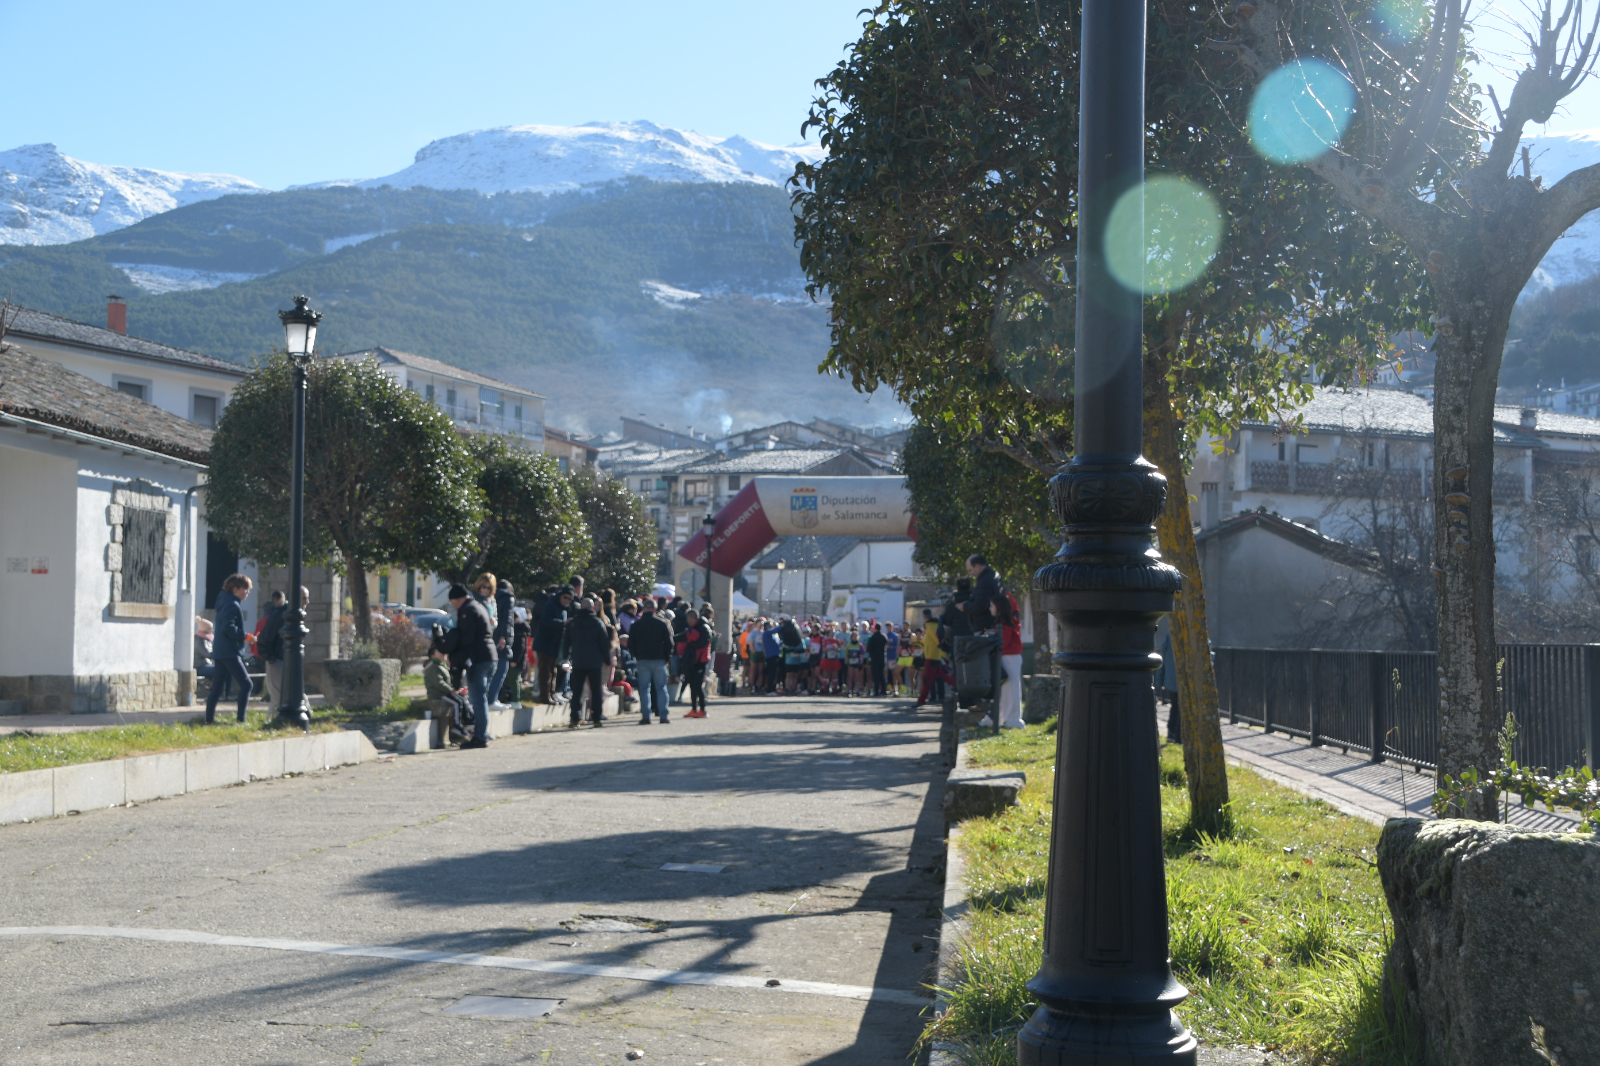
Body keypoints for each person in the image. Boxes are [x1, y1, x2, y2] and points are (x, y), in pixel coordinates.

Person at [437, 583, 496, 747]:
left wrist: (452, 647)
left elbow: (467, 637)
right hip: (490, 655)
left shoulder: (467, 611)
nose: (454, 606)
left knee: (478, 700)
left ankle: (480, 736)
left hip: (478, 658)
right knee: (482, 698)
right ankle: (482, 732)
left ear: (457, 600)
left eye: (453, 603)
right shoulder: (478, 606)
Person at [205, 574, 254, 724]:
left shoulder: (224, 602)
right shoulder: (233, 604)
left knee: (217, 689)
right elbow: (229, 627)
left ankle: (209, 720)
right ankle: (241, 720)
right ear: (235, 589)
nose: (247, 592)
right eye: (245, 589)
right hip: (229, 652)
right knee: (247, 684)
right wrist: (246, 636)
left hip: (221, 651)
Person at [562, 596, 613, 727]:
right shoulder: (597, 623)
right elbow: (604, 643)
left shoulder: (574, 623)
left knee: (577, 691)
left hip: (578, 660)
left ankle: (575, 718)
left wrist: (565, 657)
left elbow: (566, 641)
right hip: (594, 661)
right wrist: (607, 660)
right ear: (592, 607)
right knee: (595, 690)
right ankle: (596, 718)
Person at [628, 599, 674, 723]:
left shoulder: (636, 625)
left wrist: (637, 656)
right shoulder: (662, 623)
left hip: (643, 659)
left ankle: (646, 716)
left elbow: (631, 644)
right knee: (661, 688)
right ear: (655, 609)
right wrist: (667, 658)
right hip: (659, 659)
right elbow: (669, 643)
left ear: (643, 609)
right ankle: (664, 715)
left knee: (644, 689)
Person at [534, 586, 574, 704]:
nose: (567, 600)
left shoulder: (564, 609)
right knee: (545, 671)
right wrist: (563, 623)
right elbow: (546, 620)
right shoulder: (550, 605)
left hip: (554, 644)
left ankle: (551, 694)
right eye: (565, 597)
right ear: (560, 595)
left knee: (553, 670)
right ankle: (544, 696)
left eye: (570, 599)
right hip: (545, 643)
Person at [423, 647, 471, 746]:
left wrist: (457, 689)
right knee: (456, 703)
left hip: (445, 693)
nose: (444, 653)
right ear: (433, 656)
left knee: (462, 700)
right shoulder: (434, 667)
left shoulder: (442, 665)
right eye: (440, 652)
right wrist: (451, 690)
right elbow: (439, 683)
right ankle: (457, 725)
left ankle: (467, 723)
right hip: (438, 694)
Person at [992, 588, 1025, 729]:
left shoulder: (1005, 624)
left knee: (1011, 691)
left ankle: (1012, 720)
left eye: (992, 606)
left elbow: (1003, 644)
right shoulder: (1007, 622)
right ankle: (1003, 718)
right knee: (1007, 691)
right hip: (1010, 657)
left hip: (1010, 657)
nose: (990, 608)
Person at [679, 609, 713, 717]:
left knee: (698, 685)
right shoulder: (692, 628)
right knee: (692, 685)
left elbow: (703, 643)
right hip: (692, 660)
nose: (687, 620)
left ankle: (703, 710)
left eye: (688, 618)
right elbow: (682, 636)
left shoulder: (704, 628)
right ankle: (694, 709)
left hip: (700, 661)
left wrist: (689, 644)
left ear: (692, 618)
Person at [963, 554, 1002, 632]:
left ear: (977, 566)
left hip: (985, 627)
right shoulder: (993, 576)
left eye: (970, 570)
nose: (970, 574)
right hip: (991, 625)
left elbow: (980, 605)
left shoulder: (985, 581)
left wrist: (965, 606)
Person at [866, 622, 889, 697]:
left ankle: (876, 691)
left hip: (874, 658)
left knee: (875, 675)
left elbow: (869, 648)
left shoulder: (873, 637)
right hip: (882, 658)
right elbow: (886, 644)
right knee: (881, 675)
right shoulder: (883, 636)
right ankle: (883, 690)